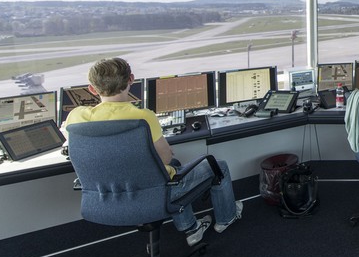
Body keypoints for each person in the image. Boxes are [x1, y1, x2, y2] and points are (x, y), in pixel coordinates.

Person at [64, 58, 242, 246]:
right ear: (131, 80)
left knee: (175, 166)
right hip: (155, 193)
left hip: (105, 195)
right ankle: (226, 218)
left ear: (92, 89)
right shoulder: (142, 117)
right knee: (217, 167)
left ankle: (191, 227)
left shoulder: (76, 116)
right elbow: (165, 157)